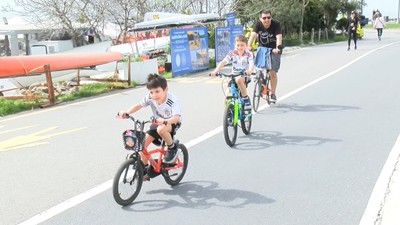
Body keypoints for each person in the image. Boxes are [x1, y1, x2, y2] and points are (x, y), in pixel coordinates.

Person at [118, 73, 182, 166]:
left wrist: (166, 121)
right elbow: (138, 105)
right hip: (157, 122)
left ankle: (172, 147)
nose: (154, 95)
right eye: (151, 92)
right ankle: (144, 170)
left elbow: (177, 117)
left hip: (172, 122)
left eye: (157, 91)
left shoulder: (172, 100)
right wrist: (127, 113)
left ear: (166, 90)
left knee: (161, 129)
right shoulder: (149, 98)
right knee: (141, 146)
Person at [247, 9, 283, 104]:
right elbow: (253, 35)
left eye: (268, 18)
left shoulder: (276, 24)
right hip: (262, 49)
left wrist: (278, 48)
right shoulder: (258, 24)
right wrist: (248, 46)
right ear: (260, 18)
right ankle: (262, 84)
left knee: (272, 73)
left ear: (271, 17)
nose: (266, 20)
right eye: (264, 18)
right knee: (259, 69)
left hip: (273, 50)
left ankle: (273, 94)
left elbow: (279, 37)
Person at [210, 34, 255, 110]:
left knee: (239, 79)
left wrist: (250, 70)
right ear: (235, 45)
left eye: (242, 45)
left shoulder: (248, 54)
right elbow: (223, 62)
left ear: (246, 45)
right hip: (233, 76)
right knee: (227, 97)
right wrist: (215, 71)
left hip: (244, 76)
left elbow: (251, 64)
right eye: (238, 45)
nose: (240, 47)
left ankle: (245, 98)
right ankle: (229, 116)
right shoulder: (232, 53)